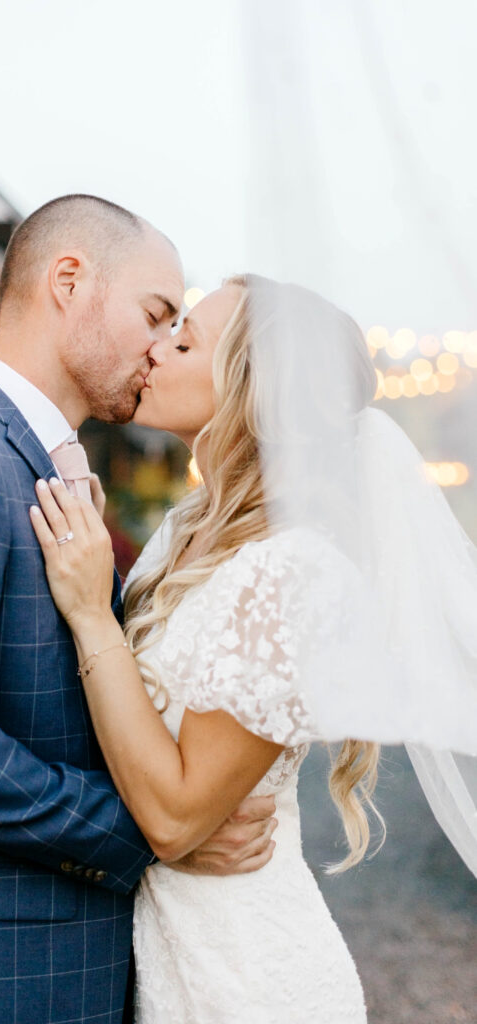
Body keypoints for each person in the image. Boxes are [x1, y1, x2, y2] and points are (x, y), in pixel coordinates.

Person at [0, 198, 279, 1024]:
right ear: (68, 281)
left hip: (55, 968)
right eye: (154, 314)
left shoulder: (40, 465)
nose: (160, 345)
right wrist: (150, 833)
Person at [29, 273, 477, 1023]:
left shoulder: (296, 571)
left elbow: (174, 817)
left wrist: (91, 614)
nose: (154, 349)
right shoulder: (184, 534)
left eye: (183, 339)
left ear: (252, 386)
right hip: (167, 959)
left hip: (246, 981)